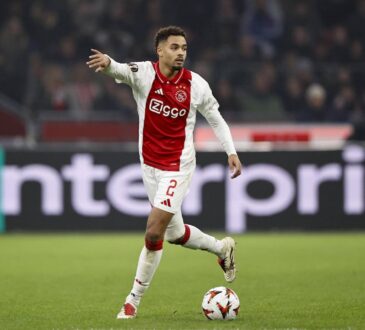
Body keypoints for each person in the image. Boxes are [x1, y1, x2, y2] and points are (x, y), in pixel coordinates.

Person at [86, 26, 242, 319]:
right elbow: (118, 70)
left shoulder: (196, 85)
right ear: (160, 50)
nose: (180, 52)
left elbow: (217, 119)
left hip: (178, 166)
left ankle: (132, 301)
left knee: (153, 230)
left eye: (184, 47)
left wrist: (231, 152)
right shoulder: (144, 74)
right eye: (174, 47)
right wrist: (107, 64)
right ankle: (222, 249)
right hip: (149, 165)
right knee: (174, 234)